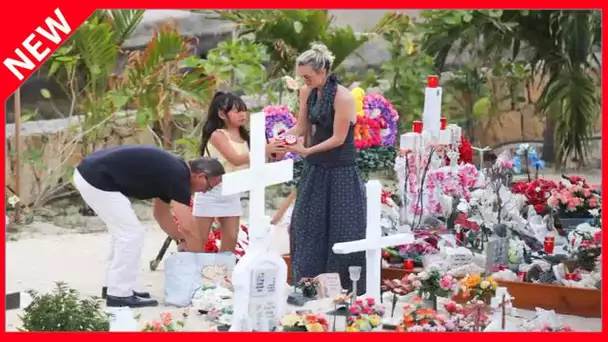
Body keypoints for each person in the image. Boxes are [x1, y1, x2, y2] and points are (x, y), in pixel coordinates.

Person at [73, 145, 225, 307]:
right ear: (200, 176)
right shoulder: (179, 176)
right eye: (209, 187)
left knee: (122, 234)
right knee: (131, 234)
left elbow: (161, 214)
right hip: (95, 178)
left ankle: (114, 286)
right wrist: (200, 268)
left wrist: (180, 240)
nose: (205, 192)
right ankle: (119, 293)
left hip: (89, 173)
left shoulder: (174, 171)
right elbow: (188, 227)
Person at [284, 43, 367, 294]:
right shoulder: (306, 92)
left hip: (341, 171)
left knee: (343, 229)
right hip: (315, 170)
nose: (305, 80)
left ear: (324, 71)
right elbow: (300, 127)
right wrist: (281, 140)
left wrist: (307, 150)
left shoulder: (343, 97)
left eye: (308, 76)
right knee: (305, 226)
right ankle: (308, 285)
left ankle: (344, 289)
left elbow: (339, 138)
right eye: (302, 77)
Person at [192, 92, 285, 253]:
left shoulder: (247, 136)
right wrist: (264, 150)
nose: (242, 115)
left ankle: (224, 275)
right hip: (211, 192)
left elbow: (258, 161)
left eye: (243, 110)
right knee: (200, 241)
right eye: (237, 111)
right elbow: (235, 159)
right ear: (222, 114)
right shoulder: (218, 135)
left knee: (231, 239)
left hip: (233, 192)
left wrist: (277, 150)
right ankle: (194, 274)